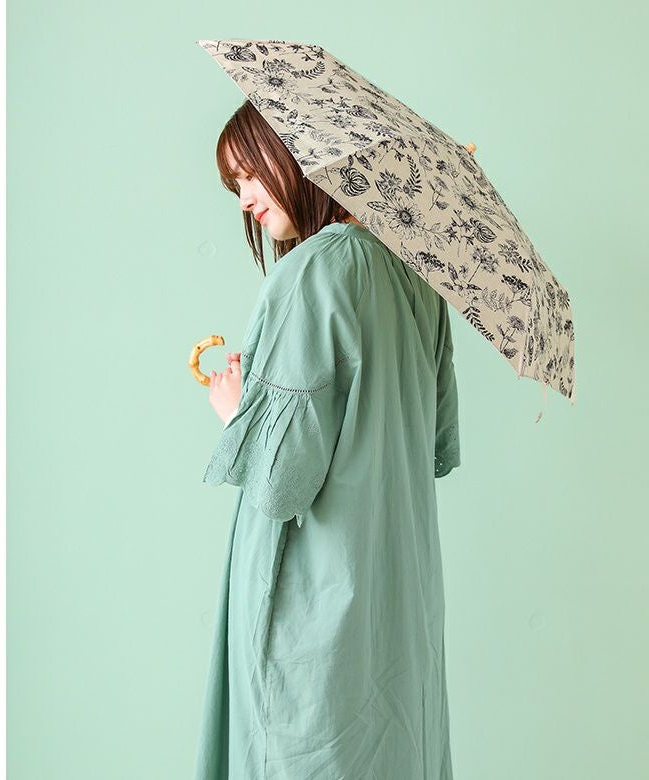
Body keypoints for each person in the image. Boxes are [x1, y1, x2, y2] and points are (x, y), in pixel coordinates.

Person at [194, 99, 460, 779]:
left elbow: (280, 484)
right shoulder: (419, 276)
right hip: (397, 601)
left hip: (316, 611)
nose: (245, 199)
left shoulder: (313, 270)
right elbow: (437, 440)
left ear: (297, 153)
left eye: (249, 174)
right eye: (234, 186)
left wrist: (236, 409)